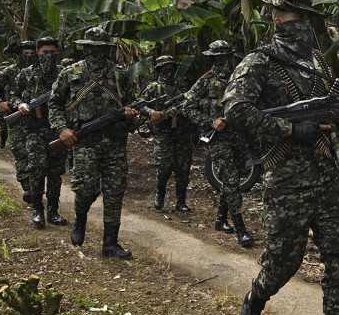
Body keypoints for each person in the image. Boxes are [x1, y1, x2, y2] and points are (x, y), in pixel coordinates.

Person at [223, 0, 339, 315]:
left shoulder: (319, 63)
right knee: (284, 261)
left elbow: (332, 117)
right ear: (275, 19)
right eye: (293, 17)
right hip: (287, 178)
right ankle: (253, 303)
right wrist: (289, 128)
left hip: (327, 176)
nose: (301, 24)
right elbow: (236, 109)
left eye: (307, 17)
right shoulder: (259, 62)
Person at [48, 27, 138, 259]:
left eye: (101, 49)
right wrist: (62, 128)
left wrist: (130, 115)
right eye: (92, 48)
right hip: (85, 141)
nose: (96, 53)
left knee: (115, 191)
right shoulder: (69, 73)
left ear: (107, 49)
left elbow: (131, 103)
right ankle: (80, 218)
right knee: (86, 189)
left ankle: (110, 243)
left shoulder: (120, 74)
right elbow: (54, 104)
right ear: (85, 48)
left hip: (115, 141)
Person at [182, 40, 254, 247]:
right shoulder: (204, 82)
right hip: (218, 138)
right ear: (212, 59)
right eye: (218, 58)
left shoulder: (238, 79)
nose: (222, 61)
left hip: (239, 136)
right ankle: (241, 230)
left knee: (236, 177)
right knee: (231, 181)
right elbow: (187, 107)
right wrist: (210, 122)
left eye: (226, 57)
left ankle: (220, 220)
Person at [11, 37, 68, 229]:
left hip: (58, 129)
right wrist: (21, 104)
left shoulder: (64, 74)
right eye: (45, 52)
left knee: (55, 172)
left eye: (53, 52)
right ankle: (37, 210)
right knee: (36, 169)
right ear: (37, 52)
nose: (49, 56)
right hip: (34, 129)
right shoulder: (26, 74)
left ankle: (53, 211)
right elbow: (13, 94)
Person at [138, 55, 195, 212]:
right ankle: (160, 191)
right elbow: (140, 105)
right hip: (163, 133)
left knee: (183, 168)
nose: (169, 71)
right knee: (164, 166)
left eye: (171, 67)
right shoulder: (153, 87)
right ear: (159, 70)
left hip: (182, 132)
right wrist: (152, 112)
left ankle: (181, 201)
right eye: (165, 68)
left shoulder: (181, 86)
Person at [0, 41, 38, 201]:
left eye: (32, 54)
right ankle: (27, 187)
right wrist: (0, 102)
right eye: (26, 54)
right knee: (20, 152)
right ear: (19, 55)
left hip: (38, 120)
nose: (29, 56)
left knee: (37, 155)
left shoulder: (41, 71)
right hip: (16, 119)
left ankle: (37, 186)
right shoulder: (9, 72)